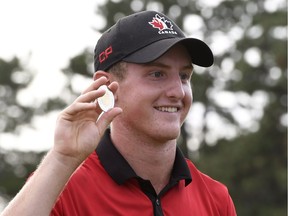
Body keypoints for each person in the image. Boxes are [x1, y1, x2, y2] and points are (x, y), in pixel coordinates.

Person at [1, 10, 237, 216]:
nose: (178, 91)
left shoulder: (216, 199)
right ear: (107, 87)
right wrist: (62, 159)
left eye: (184, 76)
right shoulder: (61, 187)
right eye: (157, 74)